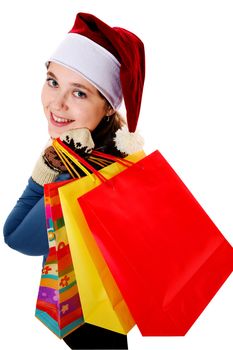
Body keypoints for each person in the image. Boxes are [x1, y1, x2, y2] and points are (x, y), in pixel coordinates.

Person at [3, 12, 145, 350]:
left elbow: (15, 237)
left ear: (109, 107)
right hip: (112, 314)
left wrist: (45, 170)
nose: (57, 103)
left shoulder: (80, 175)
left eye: (79, 93)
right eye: (53, 81)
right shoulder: (120, 158)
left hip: (89, 326)